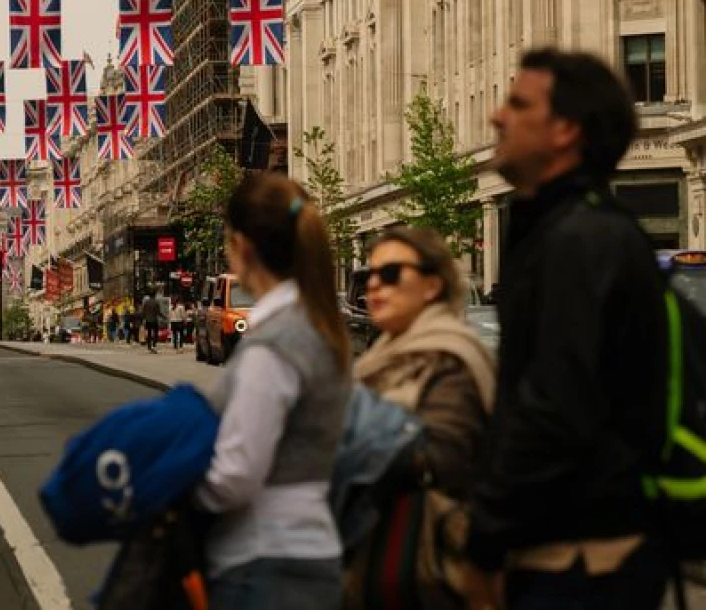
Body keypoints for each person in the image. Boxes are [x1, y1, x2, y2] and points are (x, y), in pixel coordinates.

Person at [464, 48, 669, 608]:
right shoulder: (559, 230)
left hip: (582, 564)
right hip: (564, 555)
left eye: (518, 103)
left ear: (566, 131)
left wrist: (484, 536)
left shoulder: (581, 239)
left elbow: (554, 405)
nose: (496, 117)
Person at [194, 170, 351, 608]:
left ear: (242, 247)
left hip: (263, 562)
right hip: (308, 551)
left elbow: (237, 475)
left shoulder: (275, 345)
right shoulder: (315, 326)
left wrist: (171, 488)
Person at [345, 226, 496, 609]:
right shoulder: (384, 357)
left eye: (391, 274)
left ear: (431, 285)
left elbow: (445, 458)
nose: (374, 286)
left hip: (429, 568)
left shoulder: (450, 358)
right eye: (368, 277)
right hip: (380, 562)